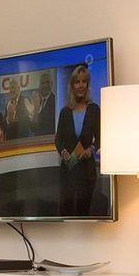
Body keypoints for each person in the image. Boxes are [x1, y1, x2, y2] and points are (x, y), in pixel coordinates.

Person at [54, 62, 101, 216]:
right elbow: (58, 139)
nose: (80, 85)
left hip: (87, 172)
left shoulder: (94, 110)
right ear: (72, 85)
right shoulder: (65, 112)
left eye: (84, 81)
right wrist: (63, 151)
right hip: (68, 171)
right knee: (66, 213)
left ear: (87, 84)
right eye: (77, 82)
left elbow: (100, 138)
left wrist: (91, 149)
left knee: (83, 213)